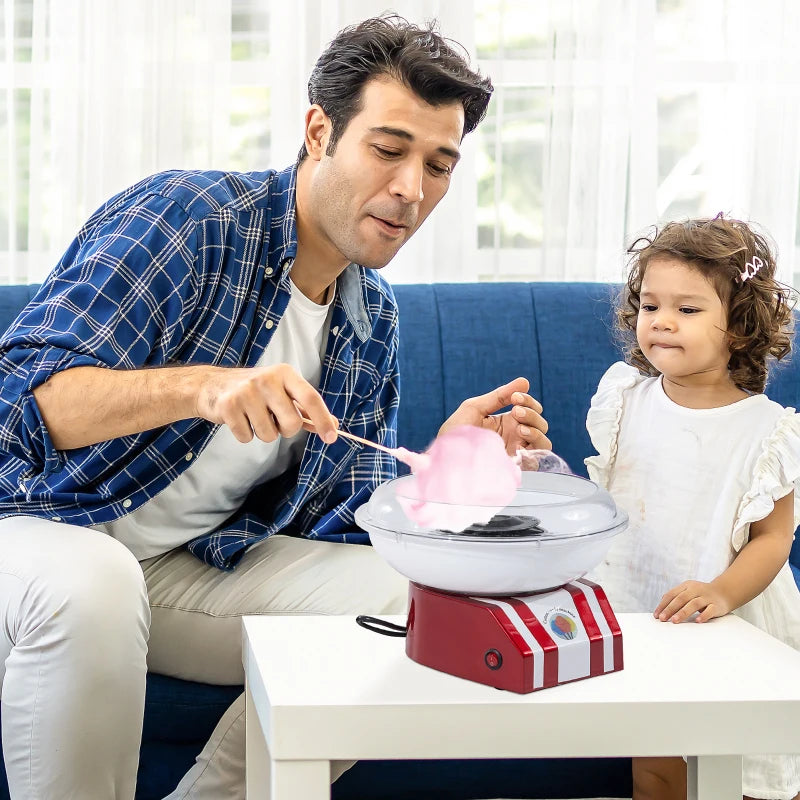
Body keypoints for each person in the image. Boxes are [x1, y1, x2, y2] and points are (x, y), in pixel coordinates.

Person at [0, 14, 551, 800]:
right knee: (93, 582)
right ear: (320, 131)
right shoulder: (190, 221)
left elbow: (334, 523)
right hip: (36, 533)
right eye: (389, 150)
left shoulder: (371, 319)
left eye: (439, 164)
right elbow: (17, 405)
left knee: (423, 608)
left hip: (182, 569)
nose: (410, 190)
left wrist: (445, 470)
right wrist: (204, 385)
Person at [584, 215, 800, 800]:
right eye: (651, 306)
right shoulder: (626, 398)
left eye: (688, 309)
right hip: (644, 614)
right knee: (655, 766)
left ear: (740, 327)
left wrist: (723, 592)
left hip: (728, 618)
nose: (662, 322)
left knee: (746, 771)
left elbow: (773, 539)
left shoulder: (767, 430)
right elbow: (607, 495)